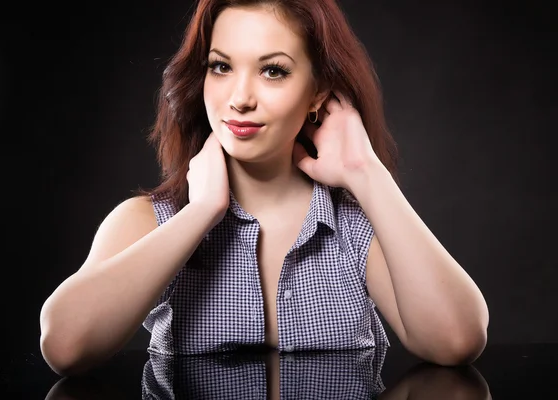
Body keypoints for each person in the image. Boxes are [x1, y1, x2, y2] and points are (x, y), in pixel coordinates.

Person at [39, 0, 489, 376]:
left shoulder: (356, 227)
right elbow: (65, 347)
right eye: (221, 67)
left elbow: (457, 341)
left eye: (273, 71)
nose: (240, 98)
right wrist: (200, 213)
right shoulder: (147, 220)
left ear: (318, 93)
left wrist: (365, 171)